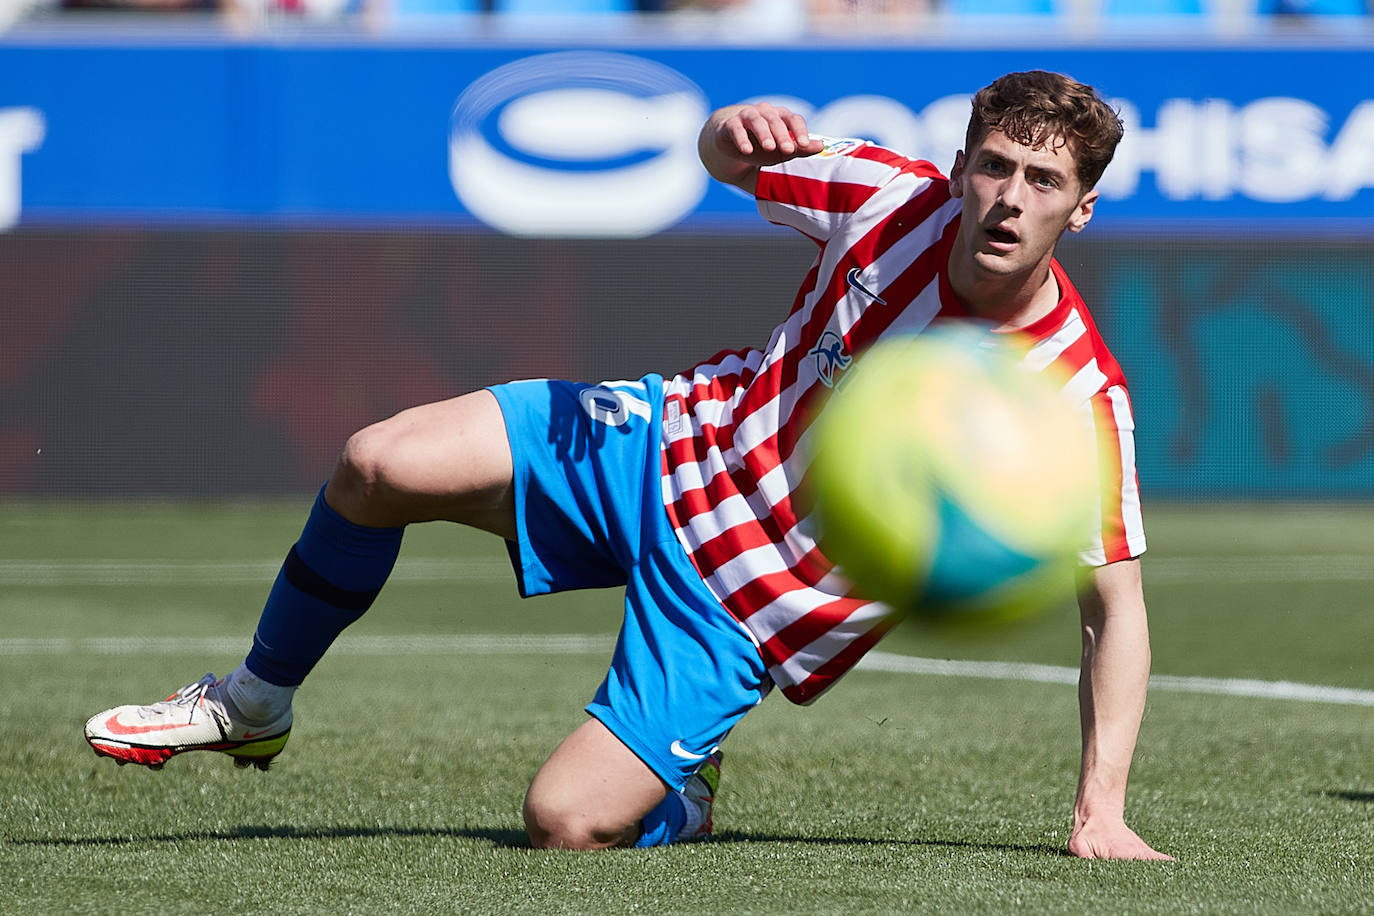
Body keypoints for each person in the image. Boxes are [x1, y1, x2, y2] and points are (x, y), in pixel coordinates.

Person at [84, 69, 1171, 860]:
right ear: (960, 169)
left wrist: (1099, 810)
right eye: (994, 166)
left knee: (565, 824)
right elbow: (722, 161)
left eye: (1042, 179)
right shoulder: (890, 198)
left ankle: (681, 796)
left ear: (1080, 208)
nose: (1010, 196)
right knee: (380, 460)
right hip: (672, 441)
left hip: (752, 598)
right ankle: (253, 699)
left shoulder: (1079, 396)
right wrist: (725, 131)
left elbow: (1112, 605)